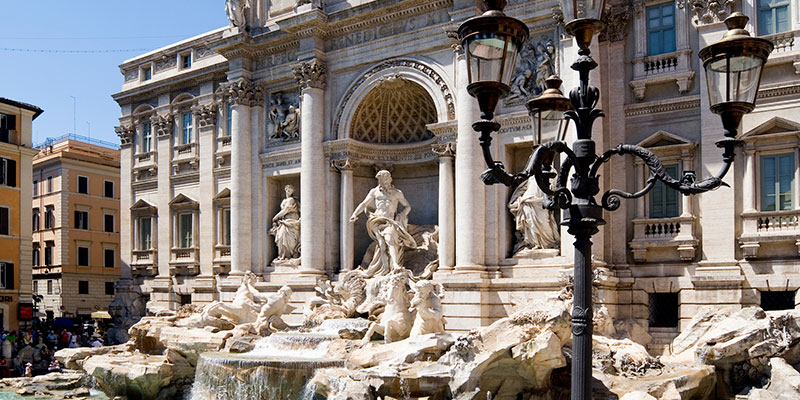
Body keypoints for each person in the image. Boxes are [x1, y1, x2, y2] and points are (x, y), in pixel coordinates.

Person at [350, 170, 416, 275]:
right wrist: (355, 214)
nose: (383, 181)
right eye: (381, 179)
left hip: (390, 221)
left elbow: (407, 206)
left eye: (385, 179)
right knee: (382, 244)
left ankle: (394, 264)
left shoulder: (397, 193)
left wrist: (402, 215)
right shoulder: (374, 191)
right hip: (377, 220)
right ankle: (385, 268)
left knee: (389, 238)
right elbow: (364, 203)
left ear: (390, 179)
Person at [508, 175, 560, 253]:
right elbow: (522, 188)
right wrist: (516, 200)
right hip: (528, 201)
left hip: (542, 202)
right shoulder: (530, 175)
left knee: (544, 223)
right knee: (529, 223)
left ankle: (547, 244)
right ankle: (532, 244)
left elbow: (555, 187)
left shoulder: (552, 172)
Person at [270, 185, 301, 260]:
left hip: (292, 220)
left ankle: (289, 255)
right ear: (285, 190)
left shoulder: (291, 200)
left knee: (289, 239)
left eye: (291, 190)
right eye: (288, 190)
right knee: (281, 237)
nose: (289, 192)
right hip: (284, 221)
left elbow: (285, 210)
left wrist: (276, 217)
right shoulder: (284, 200)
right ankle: (283, 256)